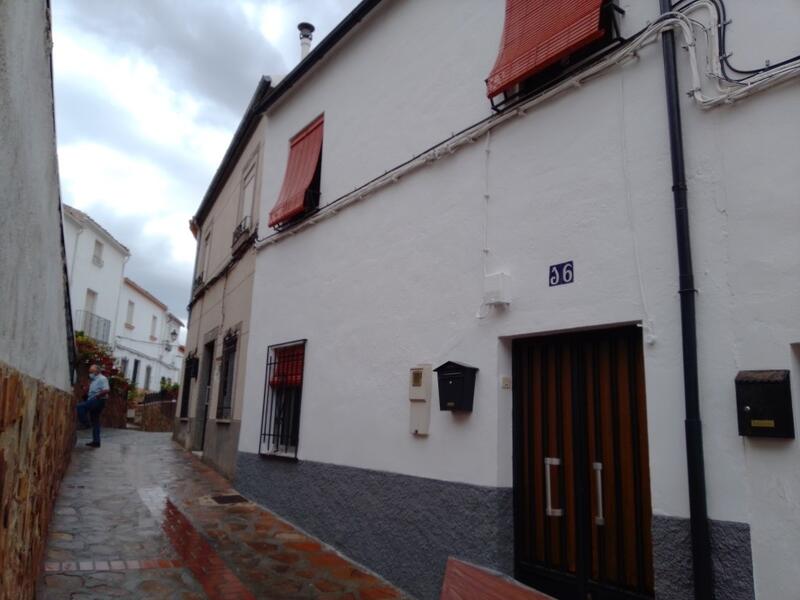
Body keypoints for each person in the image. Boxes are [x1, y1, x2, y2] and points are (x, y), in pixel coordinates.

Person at [77, 364, 110, 448]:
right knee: (95, 421)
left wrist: (97, 396)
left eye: (91, 372)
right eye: (89, 372)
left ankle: (85, 423)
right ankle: (96, 441)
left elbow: (106, 390)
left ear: (97, 371)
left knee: (80, 407)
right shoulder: (93, 380)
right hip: (93, 399)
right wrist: (85, 389)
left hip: (98, 400)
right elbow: (91, 391)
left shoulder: (102, 378)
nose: (90, 373)